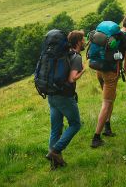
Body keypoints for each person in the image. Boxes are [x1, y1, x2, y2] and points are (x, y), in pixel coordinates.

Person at [91, 15, 126, 148]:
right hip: (110, 73)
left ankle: (107, 128)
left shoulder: (112, 34)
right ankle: (96, 138)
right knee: (106, 103)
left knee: (111, 98)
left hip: (99, 69)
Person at [46, 30, 86, 168]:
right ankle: (55, 151)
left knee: (56, 129)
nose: (85, 41)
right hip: (64, 97)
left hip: (51, 95)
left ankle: (55, 165)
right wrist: (82, 71)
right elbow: (72, 78)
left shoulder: (61, 54)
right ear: (78, 42)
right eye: (83, 39)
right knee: (75, 124)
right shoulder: (76, 57)